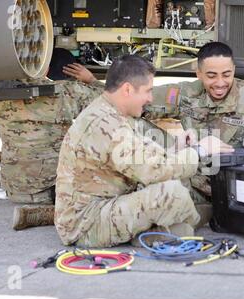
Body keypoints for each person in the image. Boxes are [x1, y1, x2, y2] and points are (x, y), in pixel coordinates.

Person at [54, 54, 233, 247]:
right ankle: (198, 219)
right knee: (171, 194)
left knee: (175, 195)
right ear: (128, 89)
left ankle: (172, 226)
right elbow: (152, 169)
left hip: (105, 204)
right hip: (86, 224)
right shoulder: (107, 124)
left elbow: (144, 154)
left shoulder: (111, 111)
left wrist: (177, 149)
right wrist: (199, 150)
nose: (149, 98)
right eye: (147, 91)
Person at [142, 42, 244, 224]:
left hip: (231, 190)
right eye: (211, 76)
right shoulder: (188, 93)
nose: (220, 83)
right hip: (191, 178)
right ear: (198, 73)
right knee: (136, 123)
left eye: (227, 75)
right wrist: (94, 85)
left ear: (233, 70)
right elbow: (134, 98)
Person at [0, 48, 104, 230]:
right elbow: (114, 101)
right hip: (49, 191)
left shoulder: (0, 93)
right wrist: (91, 80)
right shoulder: (68, 91)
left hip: (13, 189)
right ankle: (51, 213)